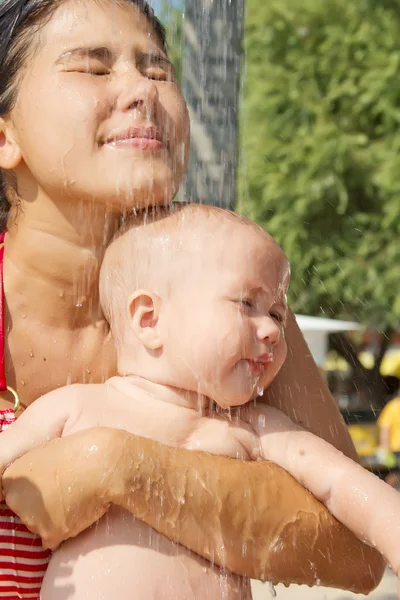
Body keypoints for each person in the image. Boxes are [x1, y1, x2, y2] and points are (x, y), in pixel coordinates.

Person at [0, 0, 384, 597]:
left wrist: (120, 467)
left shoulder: (238, 319)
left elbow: (353, 552)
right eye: (95, 68)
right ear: (5, 136)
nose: (142, 91)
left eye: (157, 70)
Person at [0, 204, 388, 600]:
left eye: (277, 313)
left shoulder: (256, 427)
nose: (272, 330)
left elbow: (346, 487)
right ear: (149, 319)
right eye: (246, 304)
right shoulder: (79, 407)